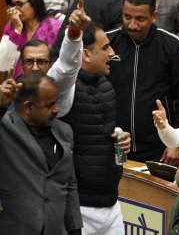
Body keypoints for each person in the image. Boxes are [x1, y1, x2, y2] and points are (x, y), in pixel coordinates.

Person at [52, 21, 131, 234]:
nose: (112, 53)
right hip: (78, 207)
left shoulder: (108, 86)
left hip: (112, 202)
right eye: (105, 48)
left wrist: (122, 142)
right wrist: (73, 34)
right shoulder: (63, 92)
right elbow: (62, 68)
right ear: (85, 54)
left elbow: (105, 138)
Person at [106, 0, 179, 165]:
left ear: (154, 16)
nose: (132, 25)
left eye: (140, 19)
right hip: (113, 143)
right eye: (127, 17)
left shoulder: (171, 44)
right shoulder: (107, 42)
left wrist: (177, 142)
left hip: (158, 148)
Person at [0, 72, 83, 235]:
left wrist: (75, 229)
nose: (56, 109)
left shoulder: (64, 131)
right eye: (49, 105)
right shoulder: (4, 126)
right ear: (29, 106)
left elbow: (69, 185)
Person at [0, 0, 62, 79]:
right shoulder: (11, 27)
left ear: (35, 2)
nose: (14, 10)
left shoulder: (56, 27)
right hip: (18, 87)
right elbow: (3, 64)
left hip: (47, 85)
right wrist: (17, 30)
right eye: (12, 5)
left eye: (19, 4)